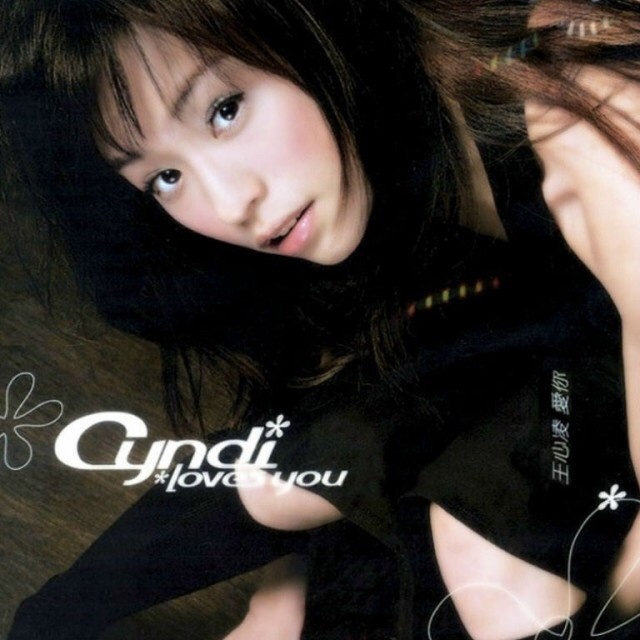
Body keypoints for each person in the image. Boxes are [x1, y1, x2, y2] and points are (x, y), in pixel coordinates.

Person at [1, 0, 640, 638]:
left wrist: (609, 602)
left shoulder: (574, 106)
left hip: (594, 367)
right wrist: (279, 600)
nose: (231, 202)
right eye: (165, 178)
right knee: (286, 478)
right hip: (545, 346)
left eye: (225, 110)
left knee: (486, 563)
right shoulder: (380, 159)